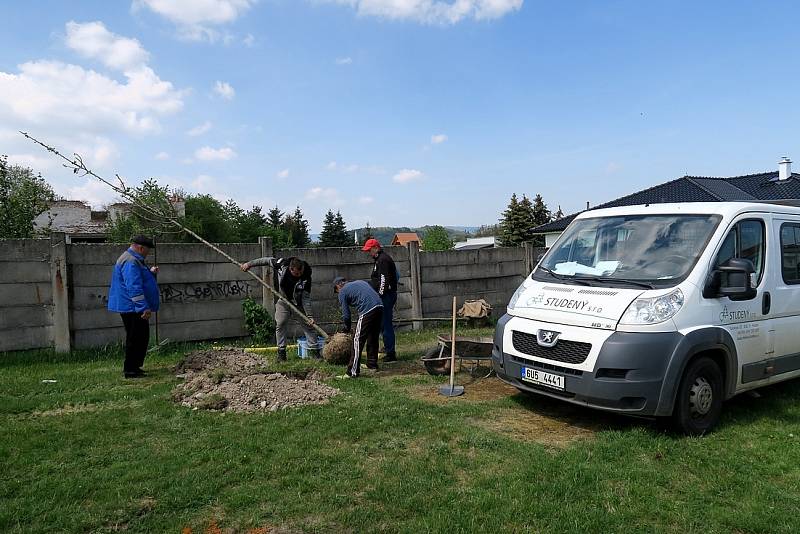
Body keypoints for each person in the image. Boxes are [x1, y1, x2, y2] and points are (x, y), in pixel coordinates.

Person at [241, 255, 319, 360]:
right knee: (280, 323)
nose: (299, 275)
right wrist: (249, 264)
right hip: (283, 300)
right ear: (291, 269)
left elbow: (305, 297)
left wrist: (309, 316)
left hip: (299, 303)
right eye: (296, 273)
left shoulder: (306, 275)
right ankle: (281, 354)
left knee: (309, 325)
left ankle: (315, 353)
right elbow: (266, 260)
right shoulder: (282, 264)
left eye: (300, 273)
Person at [107, 235, 160, 378]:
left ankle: (134, 367)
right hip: (132, 307)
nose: (148, 253)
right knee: (136, 338)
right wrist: (143, 307)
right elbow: (133, 287)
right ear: (140, 248)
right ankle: (131, 369)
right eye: (147, 250)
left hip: (131, 306)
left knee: (139, 337)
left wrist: (151, 274)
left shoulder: (133, 259)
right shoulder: (131, 261)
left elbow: (139, 279)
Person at [333, 277, 383, 377]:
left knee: (357, 340)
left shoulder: (342, 291)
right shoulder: (359, 282)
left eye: (336, 291)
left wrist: (346, 328)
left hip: (367, 309)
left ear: (338, 286)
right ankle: (372, 364)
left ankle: (352, 372)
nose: (338, 293)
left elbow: (346, 315)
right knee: (373, 336)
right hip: (380, 306)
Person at [362, 238, 398, 362]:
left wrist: (379, 295)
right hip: (385, 295)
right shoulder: (379, 259)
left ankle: (391, 353)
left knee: (386, 324)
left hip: (386, 296)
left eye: (369, 250)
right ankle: (388, 348)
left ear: (376, 248)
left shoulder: (383, 260)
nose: (369, 253)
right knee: (383, 324)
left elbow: (383, 280)